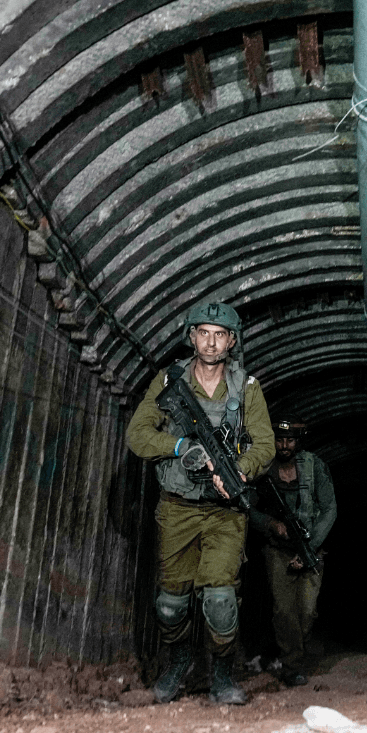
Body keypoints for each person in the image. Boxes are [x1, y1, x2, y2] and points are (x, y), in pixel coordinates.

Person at [127, 300, 275, 705]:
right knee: (171, 603)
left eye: (219, 335)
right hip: (177, 507)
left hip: (225, 513)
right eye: (203, 333)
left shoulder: (246, 387)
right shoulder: (168, 380)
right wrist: (179, 447)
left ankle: (221, 675)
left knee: (221, 600)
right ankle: (178, 664)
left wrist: (240, 471)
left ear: (232, 341)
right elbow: (138, 434)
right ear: (191, 337)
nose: (211, 343)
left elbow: (265, 444)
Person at [248, 417, 337, 687]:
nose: (284, 445)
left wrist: (310, 546)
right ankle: (292, 665)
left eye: (290, 440)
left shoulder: (313, 466)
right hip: (278, 550)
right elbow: (247, 507)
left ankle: (296, 649)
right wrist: (271, 524)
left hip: (311, 548)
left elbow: (330, 509)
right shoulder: (263, 467)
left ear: (298, 442)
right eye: (279, 440)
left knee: (307, 612)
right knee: (285, 611)